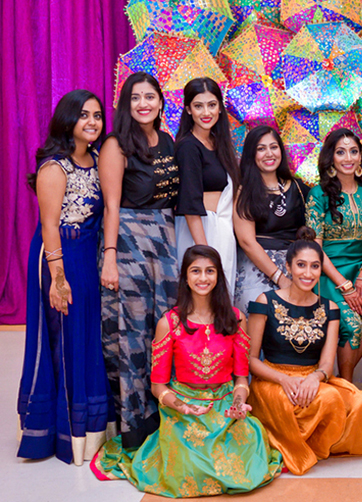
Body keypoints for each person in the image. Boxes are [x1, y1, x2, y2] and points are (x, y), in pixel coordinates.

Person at [92, 246, 282, 496]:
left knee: (243, 472)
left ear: (218, 276)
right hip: (183, 409)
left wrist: (237, 403)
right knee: (192, 470)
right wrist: (182, 406)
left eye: (210, 271)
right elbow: (157, 386)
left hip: (224, 405)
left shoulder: (236, 319)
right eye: (196, 271)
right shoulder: (169, 323)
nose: (203, 278)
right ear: (185, 277)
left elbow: (240, 377)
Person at [17, 90, 112, 465]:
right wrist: (58, 279)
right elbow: (49, 226)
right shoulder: (54, 167)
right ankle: (63, 435)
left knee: (86, 337)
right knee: (65, 340)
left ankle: (92, 429)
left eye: (98, 116)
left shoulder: (98, 158)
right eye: (84, 115)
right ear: (68, 120)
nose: (92, 122)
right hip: (60, 258)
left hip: (87, 255)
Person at [246, 228, 362, 475]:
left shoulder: (330, 308)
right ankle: (300, 445)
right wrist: (284, 379)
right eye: (301, 265)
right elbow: (250, 359)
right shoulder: (265, 301)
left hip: (311, 378)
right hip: (273, 380)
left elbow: (326, 364)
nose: (307, 273)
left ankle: (320, 443)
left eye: (315, 266)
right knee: (329, 399)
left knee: (358, 400)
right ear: (288, 267)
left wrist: (315, 378)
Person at [99, 72, 179, 448]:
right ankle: (134, 422)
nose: (144, 103)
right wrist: (110, 258)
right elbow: (111, 206)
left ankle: (166, 412)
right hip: (129, 242)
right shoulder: (116, 145)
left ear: (162, 102)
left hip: (163, 242)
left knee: (163, 329)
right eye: (135, 98)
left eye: (150, 96)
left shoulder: (167, 140)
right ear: (126, 105)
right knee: (131, 334)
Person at [306, 129, 362, 381]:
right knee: (350, 323)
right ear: (331, 158)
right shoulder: (318, 194)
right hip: (329, 271)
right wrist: (344, 285)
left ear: (361, 157)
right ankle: (346, 385)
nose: (348, 158)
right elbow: (315, 248)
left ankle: (340, 380)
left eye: (353, 151)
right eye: (341, 152)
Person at [234, 125, 310, 312]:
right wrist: (280, 278)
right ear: (252, 155)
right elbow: (246, 242)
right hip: (256, 264)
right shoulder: (244, 191)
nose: (269, 154)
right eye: (261, 149)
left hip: (295, 264)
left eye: (273, 147)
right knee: (260, 311)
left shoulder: (299, 188)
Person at [175, 77, 239, 292]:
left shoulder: (220, 144)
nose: (206, 112)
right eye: (198, 106)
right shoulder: (188, 147)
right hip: (199, 230)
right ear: (188, 110)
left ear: (220, 108)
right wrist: (203, 252)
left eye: (212, 105)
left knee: (221, 297)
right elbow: (189, 202)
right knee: (202, 292)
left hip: (223, 228)